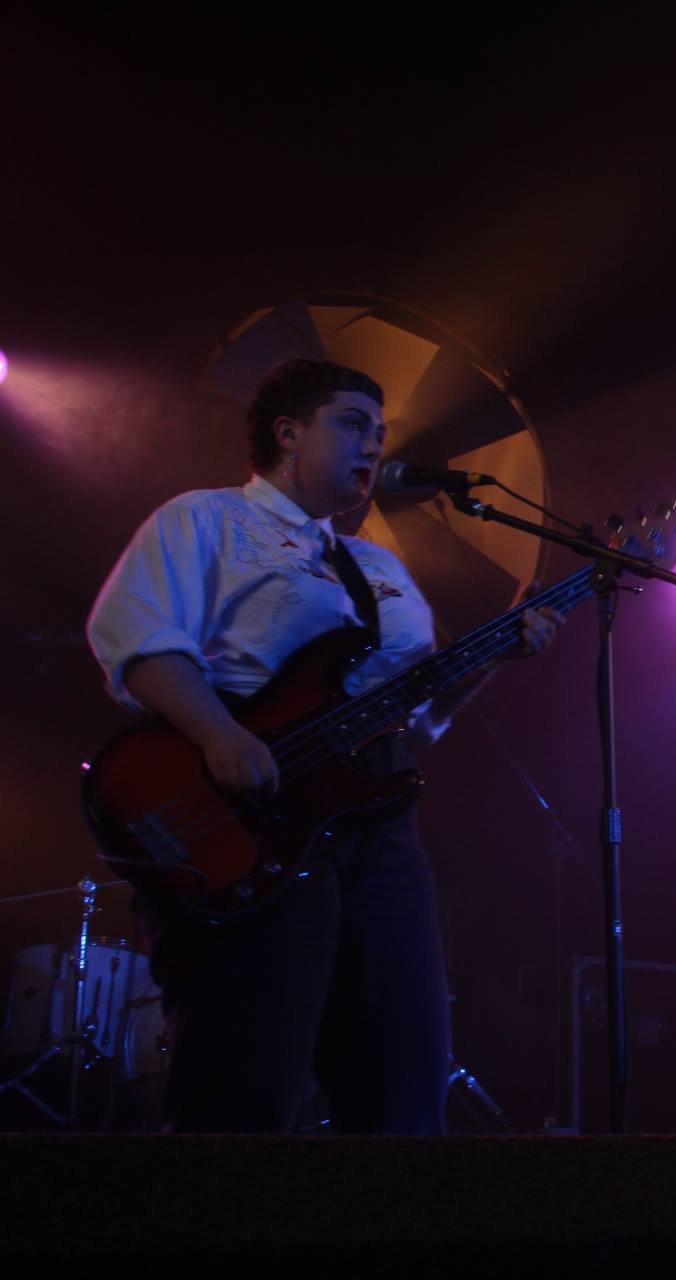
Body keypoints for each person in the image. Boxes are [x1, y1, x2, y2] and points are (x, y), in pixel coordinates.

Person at [86, 357, 563, 1134]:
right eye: (351, 423)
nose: (373, 445)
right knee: (249, 1079)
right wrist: (218, 733)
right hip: (252, 815)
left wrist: (493, 657)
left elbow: (418, 715)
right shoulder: (205, 520)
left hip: (379, 826)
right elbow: (135, 638)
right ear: (287, 432)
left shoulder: (377, 566)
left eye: (379, 432)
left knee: (404, 1078)